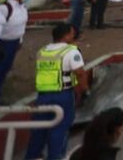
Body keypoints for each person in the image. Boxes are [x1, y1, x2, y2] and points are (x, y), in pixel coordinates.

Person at [25, 22, 86, 160]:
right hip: (62, 96)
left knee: (38, 132)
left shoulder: (42, 51)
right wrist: (83, 91)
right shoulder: (71, 51)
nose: (73, 35)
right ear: (65, 35)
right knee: (59, 131)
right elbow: (80, 74)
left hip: (42, 96)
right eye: (71, 33)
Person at [0, 0, 30, 97]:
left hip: (14, 42)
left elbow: (22, 25)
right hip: (3, 43)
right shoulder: (4, 8)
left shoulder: (22, 7)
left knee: (5, 68)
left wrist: (20, 40)